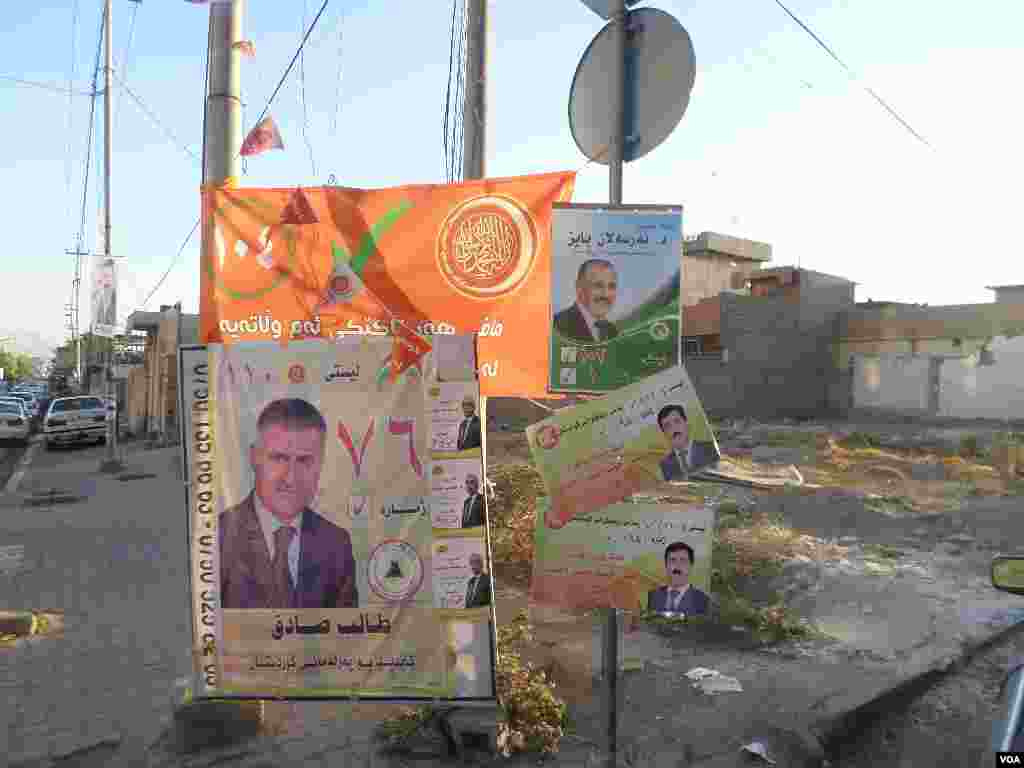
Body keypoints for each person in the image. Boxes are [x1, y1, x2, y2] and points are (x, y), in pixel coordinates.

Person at [220, 398, 358, 609]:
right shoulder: (218, 537)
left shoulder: (336, 544)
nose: (291, 478)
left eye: (304, 461)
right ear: (254, 457)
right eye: (279, 458)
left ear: (321, 463)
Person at [553, 259, 619, 343]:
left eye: (611, 286)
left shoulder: (612, 332)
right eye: (598, 285)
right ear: (579, 288)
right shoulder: (556, 326)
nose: (606, 294)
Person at [656, 404, 719, 482]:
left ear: (686, 423)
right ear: (664, 433)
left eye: (677, 421)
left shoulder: (711, 448)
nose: (674, 428)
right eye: (667, 426)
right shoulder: (665, 465)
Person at [646, 541, 710, 615]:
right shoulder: (653, 595)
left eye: (683, 560)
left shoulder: (703, 600)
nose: (677, 566)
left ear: (691, 566)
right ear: (666, 565)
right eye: (672, 560)